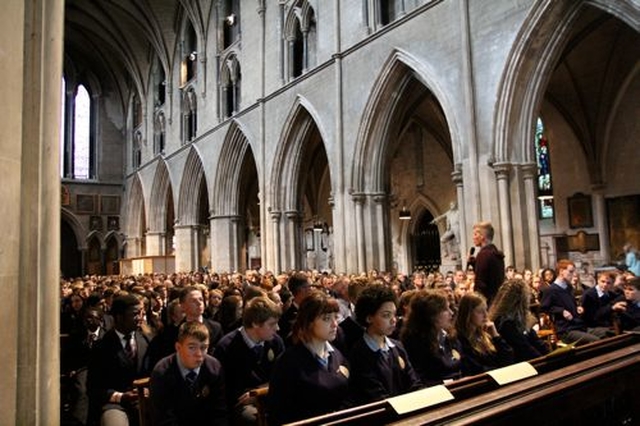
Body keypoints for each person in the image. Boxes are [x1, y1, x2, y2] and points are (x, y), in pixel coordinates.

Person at [268, 291, 350, 425]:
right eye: (326, 319)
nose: (335, 324)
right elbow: (279, 412)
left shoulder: (336, 355)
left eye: (335, 317)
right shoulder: (289, 362)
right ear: (309, 322)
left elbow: (348, 395)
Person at [213, 296, 285, 425]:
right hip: (239, 405)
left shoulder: (275, 342)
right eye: (272, 324)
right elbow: (224, 390)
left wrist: (260, 392)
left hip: (270, 395)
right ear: (255, 323)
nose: (277, 328)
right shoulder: (227, 347)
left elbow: (283, 377)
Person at [348, 283, 421, 405]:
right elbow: (375, 395)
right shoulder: (360, 352)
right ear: (369, 318)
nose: (393, 320)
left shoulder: (397, 346)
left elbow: (413, 381)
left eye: (394, 314)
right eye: (386, 315)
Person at [87, 294, 151, 426]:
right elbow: (94, 388)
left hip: (147, 402)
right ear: (119, 317)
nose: (140, 318)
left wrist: (148, 390)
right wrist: (122, 396)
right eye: (134, 314)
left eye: (140, 313)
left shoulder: (147, 340)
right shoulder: (102, 347)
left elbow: (156, 373)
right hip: (115, 405)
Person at [149, 321, 228, 425]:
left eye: (204, 347)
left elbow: (220, 413)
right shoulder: (162, 372)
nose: (199, 354)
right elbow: (163, 419)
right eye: (192, 347)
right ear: (178, 347)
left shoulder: (214, 368)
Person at [400, 290, 462, 386]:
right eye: (445, 309)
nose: (451, 313)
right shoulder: (415, 341)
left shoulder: (449, 336)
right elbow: (420, 378)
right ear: (431, 315)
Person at [541, 259, 605, 345]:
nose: (573, 274)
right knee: (595, 341)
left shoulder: (569, 287)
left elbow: (570, 304)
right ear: (561, 271)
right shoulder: (550, 290)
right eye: (570, 272)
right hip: (566, 330)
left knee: (607, 333)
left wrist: (577, 308)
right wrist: (561, 311)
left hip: (578, 326)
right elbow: (544, 308)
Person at [489, 279, 548, 361]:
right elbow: (524, 349)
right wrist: (544, 360)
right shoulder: (504, 322)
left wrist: (549, 355)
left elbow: (535, 340)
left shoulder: (517, 318)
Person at [456, 292, 513, 376]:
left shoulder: (485, 334)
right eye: (480, 311)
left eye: (486, 310)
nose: (486, 315)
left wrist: (496, 336)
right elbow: (477, 369)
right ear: (468, 314)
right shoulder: (460, 339)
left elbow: (508, 359)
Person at [471, 222, 505, 305]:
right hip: (496, 300)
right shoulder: (495, 253)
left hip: (487, 302)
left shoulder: (483, 254)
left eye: (475, 234)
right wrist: (474, 263)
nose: (473, 237)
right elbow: (489, 274)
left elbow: (481, 283)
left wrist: (476, 303)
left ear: (482, 236)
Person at [277, 272, 312, 346]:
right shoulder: (287, 318)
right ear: (301, 290)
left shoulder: (313, 310)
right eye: (309, 287)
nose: (311, 290)